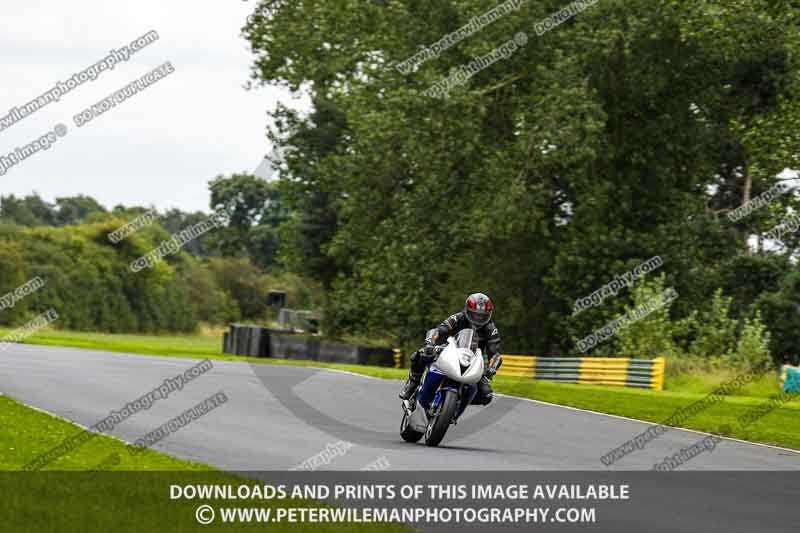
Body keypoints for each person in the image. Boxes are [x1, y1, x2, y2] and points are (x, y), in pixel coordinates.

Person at [398, 293, 502, 405]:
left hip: (473, 360)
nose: (479, 318)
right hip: (449, 349)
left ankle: (457, 405)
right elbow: (438, 330)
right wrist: (430, 342)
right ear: (467, 310)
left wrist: (491, 369)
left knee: (486, 395)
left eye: (483, 316)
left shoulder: (491, 329)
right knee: (420, 354)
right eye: (476, 315)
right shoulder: (458, 318)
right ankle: (412, 384)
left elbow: (495, 354)